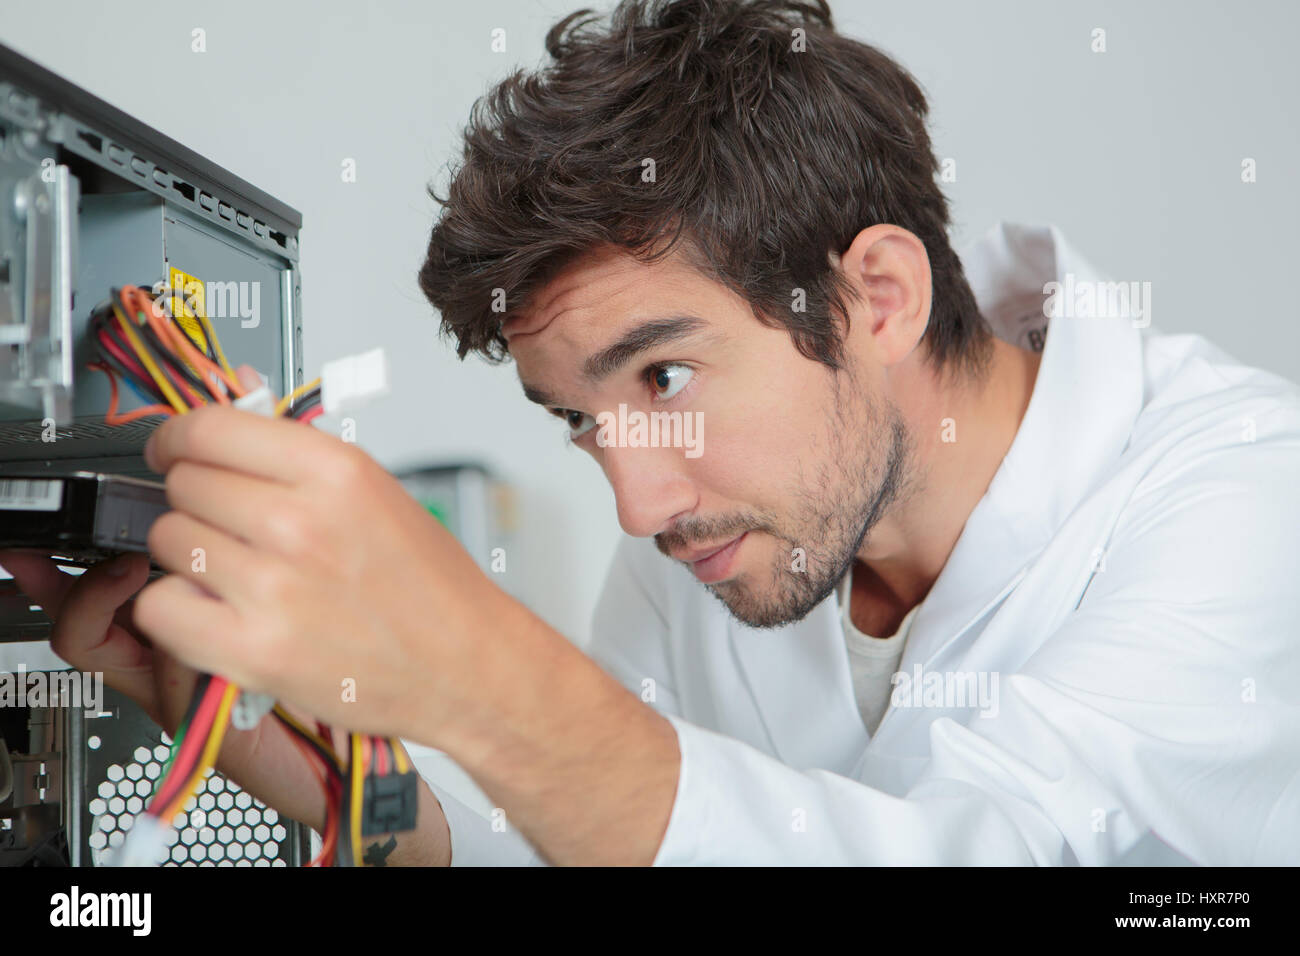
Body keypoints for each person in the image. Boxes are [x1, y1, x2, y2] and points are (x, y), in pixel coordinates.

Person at [3, 0, 1297, 866]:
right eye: (580, 422)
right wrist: (316, 769)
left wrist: (477, 663)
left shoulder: (1243, 501)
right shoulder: (713, 530)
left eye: (666, 376)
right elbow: (589, 835)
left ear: (878, 297)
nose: (635, 505)